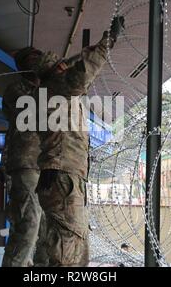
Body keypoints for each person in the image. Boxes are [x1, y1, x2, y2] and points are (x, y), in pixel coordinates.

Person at [14, 16, 125, 266]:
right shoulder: (56, 86)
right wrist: (109, 40)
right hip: (63, 177)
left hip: (63, 175)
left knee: (70, 242)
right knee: (68, 247)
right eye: (62, 66)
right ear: (56, 70)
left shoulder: (49, 91)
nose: (66, 67)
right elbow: (83, 74)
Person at [1, 68, 48, 267]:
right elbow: (29, 112)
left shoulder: (45, 90)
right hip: (25, 162)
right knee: (29, 221)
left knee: (46, 224)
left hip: (45, 163)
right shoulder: (16, 90)